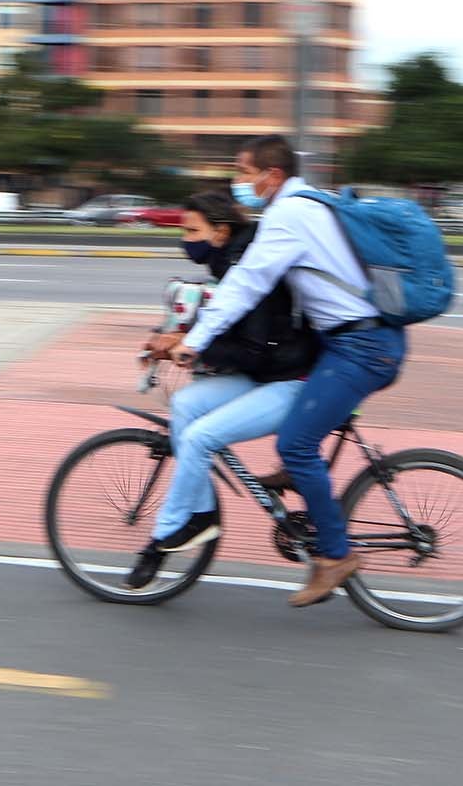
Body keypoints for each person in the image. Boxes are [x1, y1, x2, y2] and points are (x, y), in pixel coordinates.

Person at [169, 135, 407, 608]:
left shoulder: (289, 215)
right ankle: (300, 474)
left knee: (295, 443)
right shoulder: (306, 205)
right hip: (345, 344)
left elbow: (247, 284)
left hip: (362, 347)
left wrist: (195, 341)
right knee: (298, 431)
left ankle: (335, 556)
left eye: (243, 172)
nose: (237, 182)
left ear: (272, 175)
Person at [126, 190, 319, 589]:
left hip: (293, 382)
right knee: (186, 404)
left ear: (220, 232)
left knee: (199, 438)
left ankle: (162, 538)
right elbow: (235, 335)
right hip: (268, 374)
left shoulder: (247, 264)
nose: (185, 240)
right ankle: (202, 515)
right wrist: (181, 340)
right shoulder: (230, 261)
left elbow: (252, 349)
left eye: (192, 231)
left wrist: (188, 348)